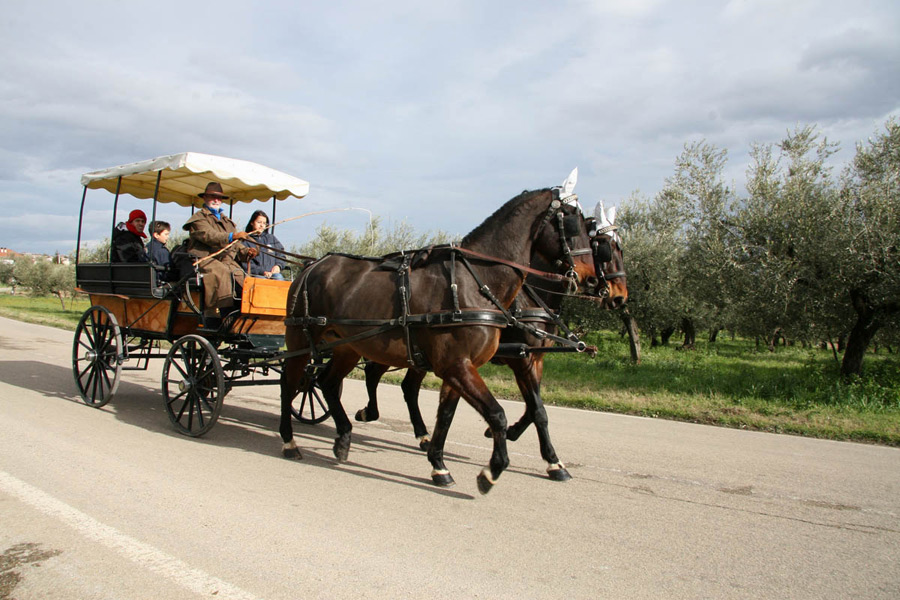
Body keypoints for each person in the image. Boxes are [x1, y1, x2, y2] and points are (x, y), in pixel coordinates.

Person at [183, 182, 257, 318]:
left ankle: (243, 314)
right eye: (212, 197)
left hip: (226, 261)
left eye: (219, 198)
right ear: (205, 198)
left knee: (245, 280)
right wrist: (232, 236)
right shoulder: (198, 219)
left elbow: (235, 245)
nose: (216, 200)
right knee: (222, 273)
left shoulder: (227, 222)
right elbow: (209, 236)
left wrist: (247, 252)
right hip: (205, 259)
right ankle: (221, 314)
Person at [244, 210, 286, 280]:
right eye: (259, 222)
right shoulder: (246, 240)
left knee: (278, 277)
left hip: (273, 275)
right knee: (261, 280)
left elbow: (281, 255)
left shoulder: (271, 239)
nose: (261, 225)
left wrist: (278, 266)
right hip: (256, 275)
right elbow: (245, 263)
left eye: (264, 223)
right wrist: (262, 272)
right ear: (252, 223)